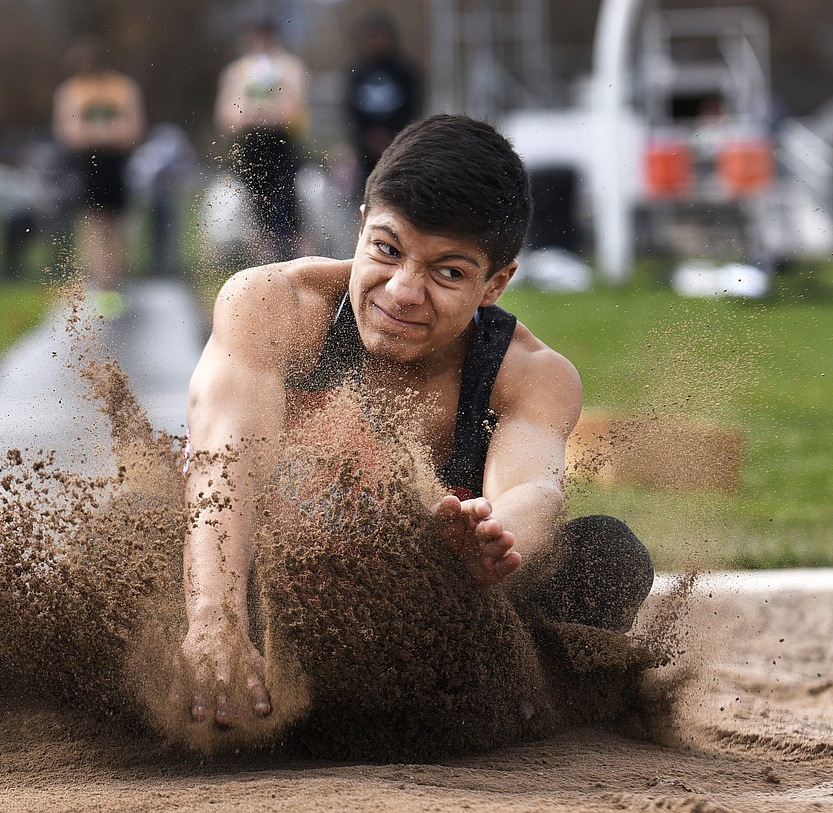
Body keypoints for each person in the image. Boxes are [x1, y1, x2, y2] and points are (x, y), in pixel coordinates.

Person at [180, 114, 654, 728]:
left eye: (448, 272)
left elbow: (534, 487)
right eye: (387, 250)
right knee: (139, 537)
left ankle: (520, 707)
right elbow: (224, 464)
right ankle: (224, 674)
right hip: (265, 588)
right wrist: (213, 615)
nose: (402, 292)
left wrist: (498, 537)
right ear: (360, 228)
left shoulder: (530, 374)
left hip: (434, 621)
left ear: (495, 284)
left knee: (608, 556)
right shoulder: (273, 306)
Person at [53, 38, 145, 312]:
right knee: (93, 224)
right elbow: (69, 134)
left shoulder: (123, 88)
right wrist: (107, 132)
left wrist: (95, 133)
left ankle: (115, 280)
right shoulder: (71, 91)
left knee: (117, 224)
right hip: (86, 166)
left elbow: (132, 131)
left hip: (116, 165)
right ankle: (100, 281)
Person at [213, 19, 309, 262]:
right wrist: (259, 113)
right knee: (256, 210)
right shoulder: (237, 71)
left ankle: (296, 262)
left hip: (282, 145)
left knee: (290, 207)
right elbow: (227, 117)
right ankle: (262, 264)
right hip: (250, 147)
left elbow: (292, 112)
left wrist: (259, 112)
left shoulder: (289, 67)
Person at [344, 11, 421, 195]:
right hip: (365, 146)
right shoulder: (358, 72)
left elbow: (413, 106)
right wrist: (367, 136)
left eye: (380, 36)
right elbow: (350, 109)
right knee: (366, 193)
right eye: (372, 37)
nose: (377, 42)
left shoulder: (404, 71)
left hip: (398, 143)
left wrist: (395, 135)